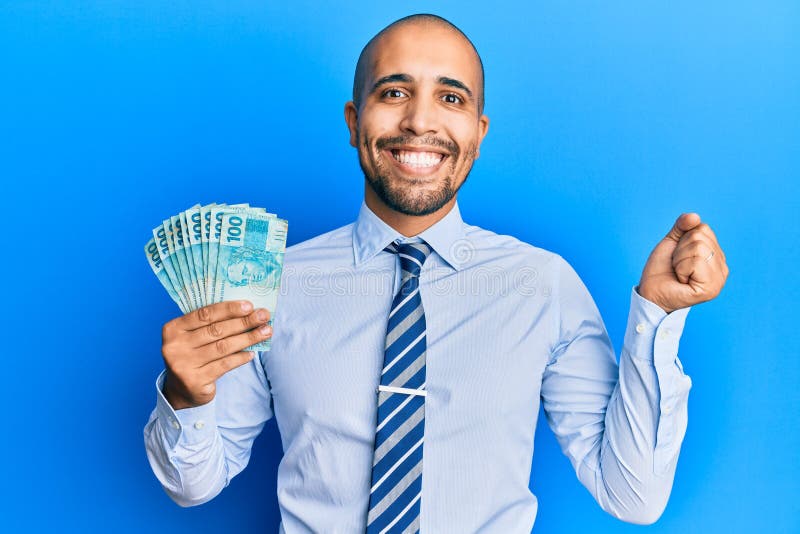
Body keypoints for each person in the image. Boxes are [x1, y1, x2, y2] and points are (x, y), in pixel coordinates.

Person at [144, 13, 729, 533]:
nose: (420, 121)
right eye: (394, 92)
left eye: (451, 99)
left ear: (478, 132)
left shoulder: (543, 286)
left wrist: (658, 315)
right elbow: (193, 485)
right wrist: (184, 394)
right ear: (354, 120)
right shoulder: (271, 286)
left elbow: (632, 496)